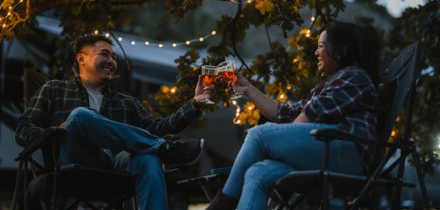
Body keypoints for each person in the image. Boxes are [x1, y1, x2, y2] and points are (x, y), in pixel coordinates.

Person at [15, 34, 210, 210]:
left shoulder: (126, 102)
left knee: (149, 158)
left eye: (114, 57)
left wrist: (195, 104)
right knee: (79, 116)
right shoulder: (54, 90)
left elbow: (157, 128)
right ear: (81, 59)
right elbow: (23, 130)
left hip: (116, 168)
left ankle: (161, 149)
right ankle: (164, 148)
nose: (111, 61)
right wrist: (55, 131)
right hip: (75, 164)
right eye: (104, 54)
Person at [205, 21, 382, 210]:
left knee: (258, 135)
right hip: (325, 153)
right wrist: (247, 88)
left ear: (340, 51)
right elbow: (286, 114)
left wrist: (280, 144)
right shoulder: (332, 82)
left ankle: (222, 203)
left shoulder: (354, 76)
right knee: (257, 172)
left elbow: (310, 116)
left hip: (347, 157)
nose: (316, 52)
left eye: (321, 46)